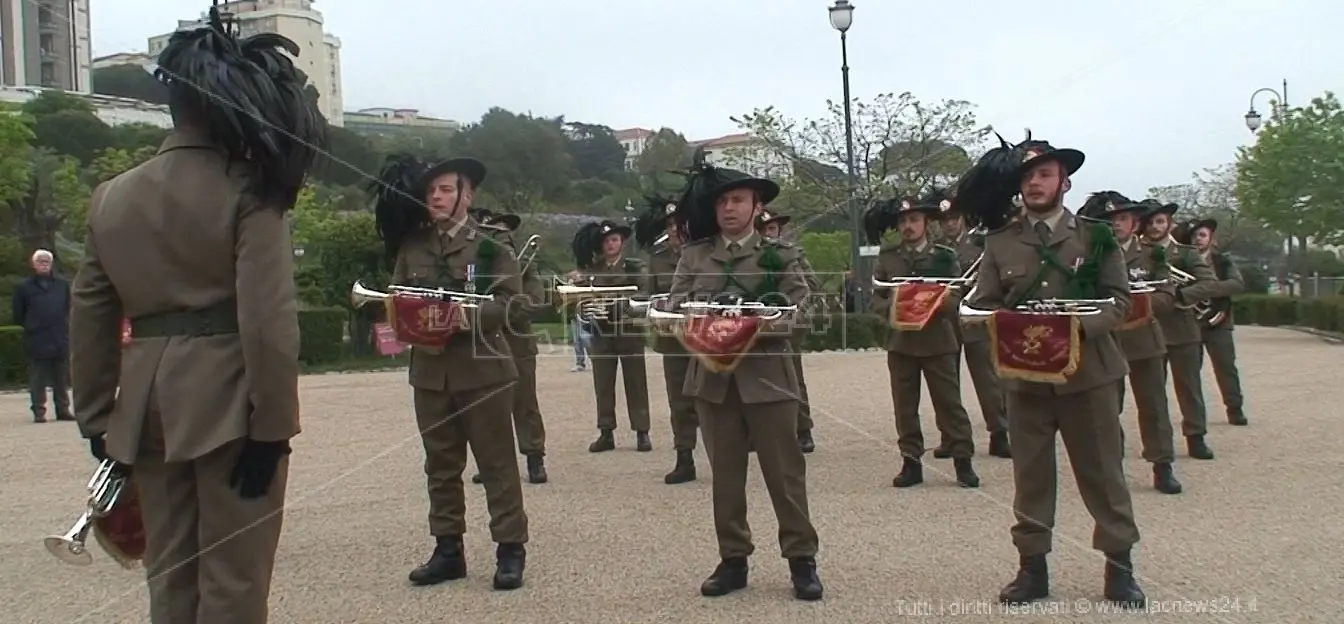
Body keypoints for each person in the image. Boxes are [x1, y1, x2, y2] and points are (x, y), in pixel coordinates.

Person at [67, 9, 326, 622]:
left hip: (147, 407)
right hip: (229, 402)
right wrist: (272, 425)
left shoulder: (112, 196)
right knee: (234, 584)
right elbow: (267, 320)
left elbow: (90, 312)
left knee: (172, 578)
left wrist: (99, 416)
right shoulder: (250, 187)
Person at [957, 133, 1144, 607]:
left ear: (1065, 180)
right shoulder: (1001, 242)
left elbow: (1121, 303)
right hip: (1026, 378)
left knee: (1103, 473)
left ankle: (1119, 568)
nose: (1035, 183)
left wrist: (1074, 329)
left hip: (1090, 375)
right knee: (1032, 476)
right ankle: (1032, 568)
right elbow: (982, 305)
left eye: (1044, 174)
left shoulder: (1096, 236)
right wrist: (1001, 323)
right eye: (1027, 176)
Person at [666, 151, 822, 601]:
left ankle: (801, 559)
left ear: (757, 207)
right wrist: (701, 319)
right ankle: (733, 559)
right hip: (713, 381)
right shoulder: (695, 256)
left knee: (785, 475)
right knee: (726, 478)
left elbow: (805, 312)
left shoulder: (780, 254)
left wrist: (754, 322)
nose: (729, 208)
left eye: (738, 200)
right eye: (722, 202)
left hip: (768, 377)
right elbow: (675, 308)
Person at [372, 153, 529, 590]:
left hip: (483, 369)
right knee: (439, 466)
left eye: (445, 188)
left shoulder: (492, 245)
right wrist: (405, 319)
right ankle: (447, 549)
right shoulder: (413, 246)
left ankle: (510, 549)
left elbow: (514, 304)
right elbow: (397, 297)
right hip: (430, 371)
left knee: (496, 464)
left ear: (467, 193)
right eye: (430, 191)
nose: (437, 197)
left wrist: (462, 318)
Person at [866, 193, 979, 488]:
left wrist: (931, 305)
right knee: (904, 406)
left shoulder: (944, 255)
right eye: (903, 221)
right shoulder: (888, 257)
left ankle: (962, 460)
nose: (908, 226)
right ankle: (911, 462)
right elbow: (876, 298)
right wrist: (897, 308)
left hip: (938, 338)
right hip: (901, 341)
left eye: (914, 219)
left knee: (949, 404)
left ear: (926, 222)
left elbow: (957, 293)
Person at [1079, 192, 1181, 494]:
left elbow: (1168, 294)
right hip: (1106, 341)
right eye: (1109, 220)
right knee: (1106, 409)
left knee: (1154, 407)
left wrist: (1142, 303)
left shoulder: (1152, 254)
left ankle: (1162, 464)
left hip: (1144, 339)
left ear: (1134, 222)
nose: (1116, 225)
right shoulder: (1091, 256)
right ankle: (1112, 467)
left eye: (1122, 218)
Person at [468, 209, 548, 485]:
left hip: (518, 341)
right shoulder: (481, 269)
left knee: (525, 403)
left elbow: (536, 301)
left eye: (504, 233)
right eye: (494, 233)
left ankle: (535, 457)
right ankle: (491, 462)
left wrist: (503, 308)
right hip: (487, 342)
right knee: (487, 406)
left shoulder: (525, 265)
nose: (501, 238)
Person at [1139, 200, 1221, 460]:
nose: (1155, 227)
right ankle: (1157, 445)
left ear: (1170, 223)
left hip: (1183, 329)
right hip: (1148, 329)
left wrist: (1176, 296)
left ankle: (1196, 436)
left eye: (1160, 221)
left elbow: (1209, 283)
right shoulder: (1135, 253)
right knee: (1152, 394)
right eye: (1150, 222)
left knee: (1189, 388)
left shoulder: (1186, 253)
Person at [571, 220, 652, 453]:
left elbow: (646, 291)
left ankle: (642, 431)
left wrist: (623, 305)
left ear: (622, 242)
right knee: (603, 383)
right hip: (602, 331)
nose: (610, 244)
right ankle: (606, 431)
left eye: (614, 240)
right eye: (606, 241)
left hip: (628, 330)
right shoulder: (593, 269)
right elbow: (581, 299)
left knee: (636, 381)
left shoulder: (633, 267)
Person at [938, 198, 1010, 458]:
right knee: (946, 383)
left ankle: (999, 432)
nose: (949, 224)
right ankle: (951, 436)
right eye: (945, 220)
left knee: (988, 379)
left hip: (975, 316)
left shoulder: (979, 243)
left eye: (954, 219)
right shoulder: (936, 249)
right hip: (945, 320)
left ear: (963, 219)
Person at [636, 196, 700, 483]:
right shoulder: (657, 257)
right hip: (674, 339)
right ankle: (684, 457)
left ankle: (725, 455)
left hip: (707, 336)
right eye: (670, 225)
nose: (674, 230)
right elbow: (648, 295)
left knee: (715, 397)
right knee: (679, 399)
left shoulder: (705, 252)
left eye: (678, 223)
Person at [1179, 218, 1249, 426]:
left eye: (1202, 235)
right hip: (1191, 321)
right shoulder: (1183, 261)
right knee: (1190, 372)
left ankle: (1234, 408)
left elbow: (1237, 284)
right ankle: (1195, 414)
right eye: (1194, 236)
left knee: (1226, 367)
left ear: (1211, 238)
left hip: (1220, 320)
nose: (1198, 239)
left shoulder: (1222, 261)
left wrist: (1207, 288)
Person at [757, 209, 817, 453]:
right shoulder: (750, 257)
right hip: (756, 323)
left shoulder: (792, 255)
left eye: (771, 229)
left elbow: (811, 285)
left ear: (779, 230)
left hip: (787, 322)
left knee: (793, 376)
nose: (768, 234)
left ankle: (803, 429)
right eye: (763, 230)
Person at [13, 248, 73, 423]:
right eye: (40, 261)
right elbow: (18, 314)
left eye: (46, 261)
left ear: (51, 263)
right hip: (37, 337)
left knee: (61, 377)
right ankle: (39, 411)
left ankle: (63, 409)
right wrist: (32, 325)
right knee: (38, 378)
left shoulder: (62, 285)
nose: (44, 264)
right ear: (33, 264)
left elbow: (68, 307)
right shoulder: (23, 287)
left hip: (59, 335)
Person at [566, 269, 591, 372]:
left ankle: (596, 358)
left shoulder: (586, 285)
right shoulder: (569, 288)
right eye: (572, 277)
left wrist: (574, 286)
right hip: (574, 316)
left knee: (586, 338)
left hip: (584, 315)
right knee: (577, 341)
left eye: (576, 276)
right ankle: (579, 363)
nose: (575, 278)